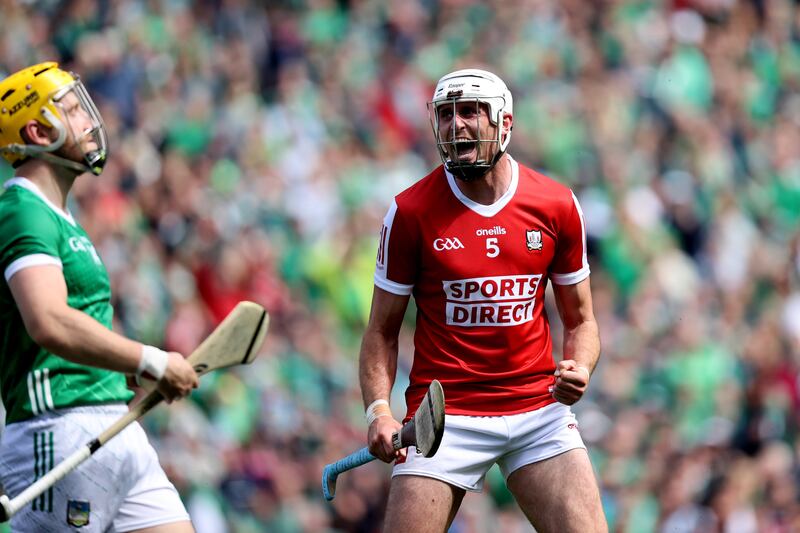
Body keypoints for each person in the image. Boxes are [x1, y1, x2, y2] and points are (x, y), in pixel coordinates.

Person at [360, 68, 607, 532]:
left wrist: (581, 368)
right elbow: (381, 332)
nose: (456, 124)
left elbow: (582, 322)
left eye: (471, 111)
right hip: (442, 418)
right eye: (446, 114)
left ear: (504, 123)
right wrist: (379, 411)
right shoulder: (410, 212)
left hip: (538, 411)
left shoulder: (556, 205)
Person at [0, 62, 199, 532]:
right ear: (36, 131)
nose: (89, 121)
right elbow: (49, 320)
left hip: (113, 425)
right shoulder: (22, 211)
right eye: (71, 111)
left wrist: (118, 369)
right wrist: (149, 360)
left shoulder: (61, 217)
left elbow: (79, 322)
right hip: (57, 431)